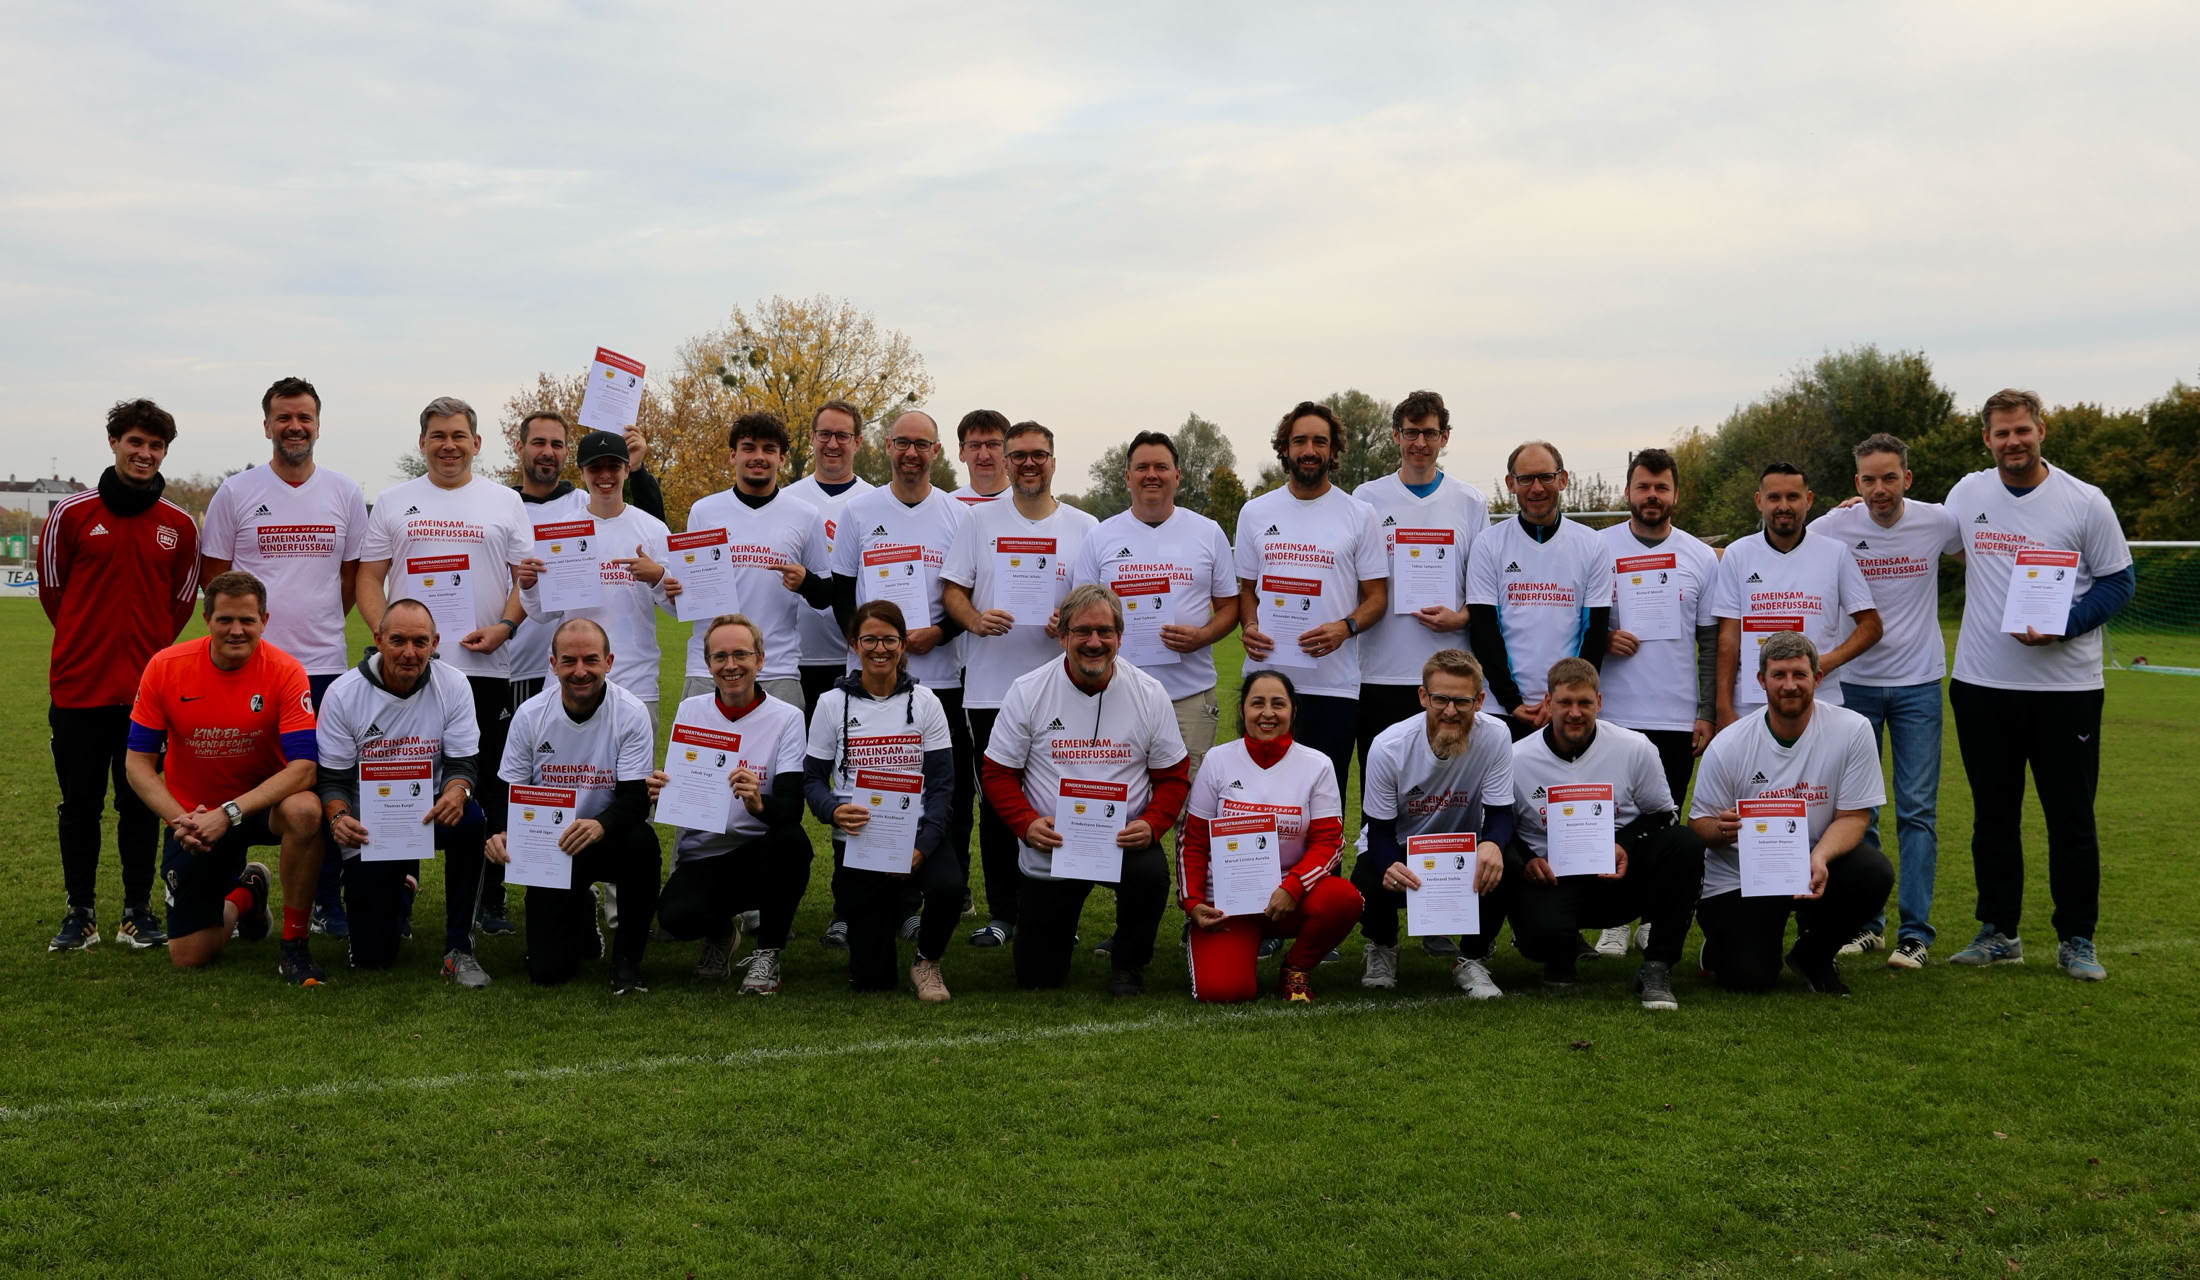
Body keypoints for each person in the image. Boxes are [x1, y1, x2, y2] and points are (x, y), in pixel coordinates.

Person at [1943, 388, 2132, 981]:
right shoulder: (1967, 493)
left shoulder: (2085, 501)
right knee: (1992, 818)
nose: (2013, 442)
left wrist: (2063, 625)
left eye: (2022, 430)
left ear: (2041, 430)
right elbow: (1925, 535)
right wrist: (1861, 506)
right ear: (1986, 439)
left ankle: (2077, 938)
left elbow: (2119, 582)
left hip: (2066, 691)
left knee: (2070, 819)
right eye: (2001, 433)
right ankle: (1999, 932)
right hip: (1981, 685)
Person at [199, 376, 370, 939]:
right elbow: (216, 581)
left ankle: (324, 899)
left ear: (318, 424)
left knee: (326, 786)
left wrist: (315, 626)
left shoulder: (344, 492)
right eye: (284, 417)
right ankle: (232, 888)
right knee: (236, 776)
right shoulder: (236, 492)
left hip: (322, 668)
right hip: (249, 669)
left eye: (304, 417)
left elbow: (350, 579)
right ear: (267, 424)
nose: (294, 427)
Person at [357, 398, 533, 941]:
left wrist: (504, 627)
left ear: (476, 443)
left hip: (483, 668)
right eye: (438, 435)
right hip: (408, 672)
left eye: (459, 435)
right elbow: (369, 576)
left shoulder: (505, 501)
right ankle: (399, 893)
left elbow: (525, 580)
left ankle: (490, 897)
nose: (449, 445)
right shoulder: (394, 501)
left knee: (488, 782)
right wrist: (387, 638)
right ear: (422, 443)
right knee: (400, 776)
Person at [41, 398, 199, 952]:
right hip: (79, 689)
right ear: (114, 443)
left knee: (139, 804)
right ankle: (79, 912)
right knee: (79, 805)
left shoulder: (179, 525)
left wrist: (145, 658)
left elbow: (180, 604)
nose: (145, 453)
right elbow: (54, 593)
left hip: (146, 696)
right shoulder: (71, 514)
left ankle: (138, 911)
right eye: (136, 442)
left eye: (156, 446)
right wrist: (87, 643)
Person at [979, 583, 1190, 995]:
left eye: (1105, 632)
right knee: (1037, 979)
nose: (1094, 642)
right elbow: (997, 773)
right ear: (1062, 636)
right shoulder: (1028, 690)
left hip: (1123, 842)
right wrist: (1026, 824)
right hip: (1052, 845)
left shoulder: (1149, 693)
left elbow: (1173, 775)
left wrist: (1152, 824)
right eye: (1082, 631)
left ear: (1119, 637)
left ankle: (1128, 964)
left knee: (1150, 874)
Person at [125, 571, 325, 983]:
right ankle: (247, 894)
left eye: (247, 620)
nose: (237, 630)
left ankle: (294, 944)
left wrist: (229, 813)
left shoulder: (286, 671)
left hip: (262, 808)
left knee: (306, 811)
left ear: (264, 621)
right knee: (189, 955)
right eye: (225, 619)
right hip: (194, 817)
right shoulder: (165, 667)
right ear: (207, 619)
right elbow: (137, 764)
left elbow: (304, 768)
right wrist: (180, 820)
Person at [943, 420, 1097, 951]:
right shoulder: (978, 520)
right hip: (991, 689)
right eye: (1019, 455)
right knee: (998, 803)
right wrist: (975, 619)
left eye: (1039, 454)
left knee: (1062, 798)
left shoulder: (1084, 526)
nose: (1029, 463)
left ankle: (1059, 911)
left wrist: (1069, 623)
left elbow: (1096, 607)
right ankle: (1004, 913)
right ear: (1007, 462)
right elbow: (953, 591)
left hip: (1063, 688)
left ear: (1053, 460)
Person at [1810, 433, 1961, 967]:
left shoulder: (1938, 521)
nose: (1880, 489)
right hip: (1854, 687)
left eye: (1889, 478)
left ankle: (1915, 934)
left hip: (1919, 684)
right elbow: (1774, 548)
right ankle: (1866, 925)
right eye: (1869, 479)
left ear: (1907, 479)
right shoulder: (1834, 526)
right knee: (1860, 810)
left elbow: (1986, 554)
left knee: (1917, 811)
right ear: (1857, 482)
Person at [831, 410, 976, 937]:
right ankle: (851, 906)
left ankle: (936, 897)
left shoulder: (959, 515)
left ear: (936, 451)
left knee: (942, 792)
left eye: (922, 444)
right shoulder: (858, 511)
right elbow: (842, 593)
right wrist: (873, 647)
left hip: (941, 678)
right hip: (872, 684)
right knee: (861, 789)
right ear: (887, 446)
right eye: (902, 443)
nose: (911, 453)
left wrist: (939, 632)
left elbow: (968, 594)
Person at [1689, 632, 1893, 996]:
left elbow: (1854, 816)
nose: (1789, 685)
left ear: (1817, 677)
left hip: (1812, 867)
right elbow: (1698, 824)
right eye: (1778, 675)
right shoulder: (1730, 744)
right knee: (1750, 979)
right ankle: (1721, 946)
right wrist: (1720, 829)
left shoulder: (1852, 730)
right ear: (1761, 680)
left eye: (1799, 674)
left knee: (1872, 872)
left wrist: (1820, 857)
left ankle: (1813, 955)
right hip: (1741, 876)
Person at [1506, 658, 1706, 1010]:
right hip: (1553, 878)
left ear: (1599, 702)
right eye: (1565, 702)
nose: (1575, 713)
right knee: (1540, 937)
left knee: (1685, 843)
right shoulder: (1517, 757)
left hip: (1618, 878)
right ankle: (1559, 953)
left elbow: (1663, 813)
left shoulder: (1635, 747)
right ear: (1548, 703)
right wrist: (1527, 860)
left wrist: (1622, 845)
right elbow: (1501, 829)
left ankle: (1657, 965)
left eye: (1584, 702)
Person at [1069, 431, 1239, 842]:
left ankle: (1190, 886)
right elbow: (1081, 611)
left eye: (1161, 467)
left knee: (1191, 810)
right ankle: (1119, 876)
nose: (1151, 475)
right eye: (1142, 467)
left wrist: (1202, 635)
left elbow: (1230, 608)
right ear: (1126, 476)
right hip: (1116, 695)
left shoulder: (1207, 532)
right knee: (1113, 804)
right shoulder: (1102, 536)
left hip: (1189, 696)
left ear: (1177, 475)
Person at [314, 599, 489, 982]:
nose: (409, 652)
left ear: (434, 643)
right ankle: (402, 887)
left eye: (420, 642)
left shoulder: (454, 684)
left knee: (471, 820)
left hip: (430, 812)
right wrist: (339, 817)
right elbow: (333, 779)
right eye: (398, 641)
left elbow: (462, 763)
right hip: (369, 826)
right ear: (378, 639)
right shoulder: (344, 693)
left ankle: (459, 948)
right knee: (372, 957)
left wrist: (456, 791)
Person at [1589, 446, 1719, 957]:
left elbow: (1709, 643)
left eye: (1661, 487)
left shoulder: (1699, 556)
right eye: (1643, 486)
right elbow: (1575, 621)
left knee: (1662, 823)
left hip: (1674, 715)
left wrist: (1705, 711)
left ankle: (1649, 915)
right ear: (1628, 491)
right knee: (1608, 820)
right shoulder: (1599, 547)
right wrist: (1601, 638)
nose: (1652, 495)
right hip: (1611, 714)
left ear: (1675, 494)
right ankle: (1612, 919)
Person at [488, 618, 661, 992]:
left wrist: (600, 824)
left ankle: (627, 960)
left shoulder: (631, 712)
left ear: (608, 662)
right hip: (552, 845)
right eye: (569, 661)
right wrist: (501, 831)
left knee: (643, 842)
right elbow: (508, 790)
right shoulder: (530, 715)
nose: (580, 671)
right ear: (553, 664)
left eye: (591, 660)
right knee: (547, 972)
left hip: (607, 836)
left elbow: (636, 799)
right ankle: (580, 909)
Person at [803, 602, 960, 1000]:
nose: (879, 648)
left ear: (903, 644)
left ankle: (927, 961)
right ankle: (889, 915)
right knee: (872, 978)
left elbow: (942, 784)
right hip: (861, 841)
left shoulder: (926, 702)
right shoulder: (831, 704)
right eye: (870, 639)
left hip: (918, 834)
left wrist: (924, 846)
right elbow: (812, 779)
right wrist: (833, 810)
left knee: (949, 887)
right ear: (854, 644)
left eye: (889, 639)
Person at [650, 614, 812, 995]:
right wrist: (663, 790)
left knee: (792, 842)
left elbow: (791, 808)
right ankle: (721, 934)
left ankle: (768, 953)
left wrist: (758, 804)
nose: (731, 665)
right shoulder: (692, 710)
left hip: (760, 852)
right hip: (704, 854)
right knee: (674, 917)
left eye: (741, 654)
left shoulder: (787, 718)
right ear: (708, 664)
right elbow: (685, 787)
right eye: (720, 656)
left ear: (760, 660)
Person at [1178, 671, 1362, 1002]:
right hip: (1228, 904)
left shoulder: (1317, 765)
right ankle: (1224, 946)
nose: (1267, 713)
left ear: (1293, 711)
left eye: (1278, 704)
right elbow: (1193, 840)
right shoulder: (1218, 760)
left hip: (1289, 898)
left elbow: (1329, 842)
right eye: (1257, 703)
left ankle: (1296, 967)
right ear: (1242, 710)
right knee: (1223, 991)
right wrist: (1193, 902)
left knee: (1343, 899)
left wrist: (1293, 887)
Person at [1234, 400, 1388, 792]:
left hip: (1332, 688)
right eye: (1299, 441)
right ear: (1284, 448)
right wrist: (1249, 625)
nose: (1309, 450)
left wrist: (1345, 627)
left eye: (1320, 441)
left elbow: (1376, 598)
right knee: (1260, 797)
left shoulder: (1360, 514)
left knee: (1324, 798)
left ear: (1333, 450)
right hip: (1266, 683)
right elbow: (1247, 590)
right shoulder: (1255, 512)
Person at [1351, 649, 1517, 998]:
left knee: (1506, 860)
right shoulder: (1388, 746)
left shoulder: (1496, 735)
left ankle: (1471, 958)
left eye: (1462, 701)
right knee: (1367, 878)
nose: (1450, 711)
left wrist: (1492, 844)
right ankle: (1383, 944)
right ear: (1423, 696)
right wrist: (1390, 864)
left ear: (1479, 701)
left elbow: (1501, 813)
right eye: (1440, 699)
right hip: (1401, 847)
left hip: (1461, 850)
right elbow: (1378, 829)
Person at [1353, 390, 1487, 796]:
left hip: (1450, 677)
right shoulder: (1366, 498)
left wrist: (1461, 617)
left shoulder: (1470, 501)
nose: (1420, 443)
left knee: (1449, 791)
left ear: (1445, 437)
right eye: (1411, 433)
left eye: (1430, 433)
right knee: (1383, 787)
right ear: (1396, 435)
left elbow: (1483, 586)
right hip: (1379, 671)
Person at [519, 429, 680, 733]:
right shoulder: (560, 532)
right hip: (570, 682)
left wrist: (658, 578)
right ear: (581, 472)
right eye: (595, 467)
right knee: (565, 762)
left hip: (635, 680)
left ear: (627, 469)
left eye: (613, 466)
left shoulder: (654, 529)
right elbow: (542, 613)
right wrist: (528, 587)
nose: (605, 475)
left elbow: (678, 608)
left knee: (633, 765)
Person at [673, 412, 833, 710]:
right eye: (749, 448)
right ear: (733, 455)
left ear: (781, 458)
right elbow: (691, 594)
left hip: (777, 670)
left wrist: (806, 582)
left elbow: (825, 596)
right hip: (709, 669)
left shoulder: (806, 515)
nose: (759, 456)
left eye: (769, 449)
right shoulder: (704, 512)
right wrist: (673, 587)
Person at [1712, 463, 1882, 728]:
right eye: (1774, 497)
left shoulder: (1835, 553)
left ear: (1808, 500)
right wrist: (1723, 706)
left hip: (1821, 704)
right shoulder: (1738, 554)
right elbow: (1728, 638)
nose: (1784, 506)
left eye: (1793, 496)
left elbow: (1871, 626)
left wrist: (1824, 663)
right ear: (1759, 501)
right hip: (1752, 707)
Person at [1466, 441, 1611, 742]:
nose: (1536, 488)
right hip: (1502, 709)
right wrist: (1512, 702)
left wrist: (1564, 699)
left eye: (1546, 477)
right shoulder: (1488, 543)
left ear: (1563, 479)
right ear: (1511, 484)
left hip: (1566, 710)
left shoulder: (1592, 544)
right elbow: (1484, 630)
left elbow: (1593, 633)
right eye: (1525, 479)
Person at [784, 400, 877, 714]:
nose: (832, 444)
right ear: (812, 437)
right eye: (824, 434)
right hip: (794, 659)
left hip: (858, 657)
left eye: (842, 436)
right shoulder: (786, 500)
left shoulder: (876, 501)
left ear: (858, 442)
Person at [950, 409, 1011, 507]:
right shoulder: (949, 505)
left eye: (993, 444)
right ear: (961, 452)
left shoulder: (1027, 504)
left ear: (1008, 450)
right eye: (975, 445)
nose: (984, 456)